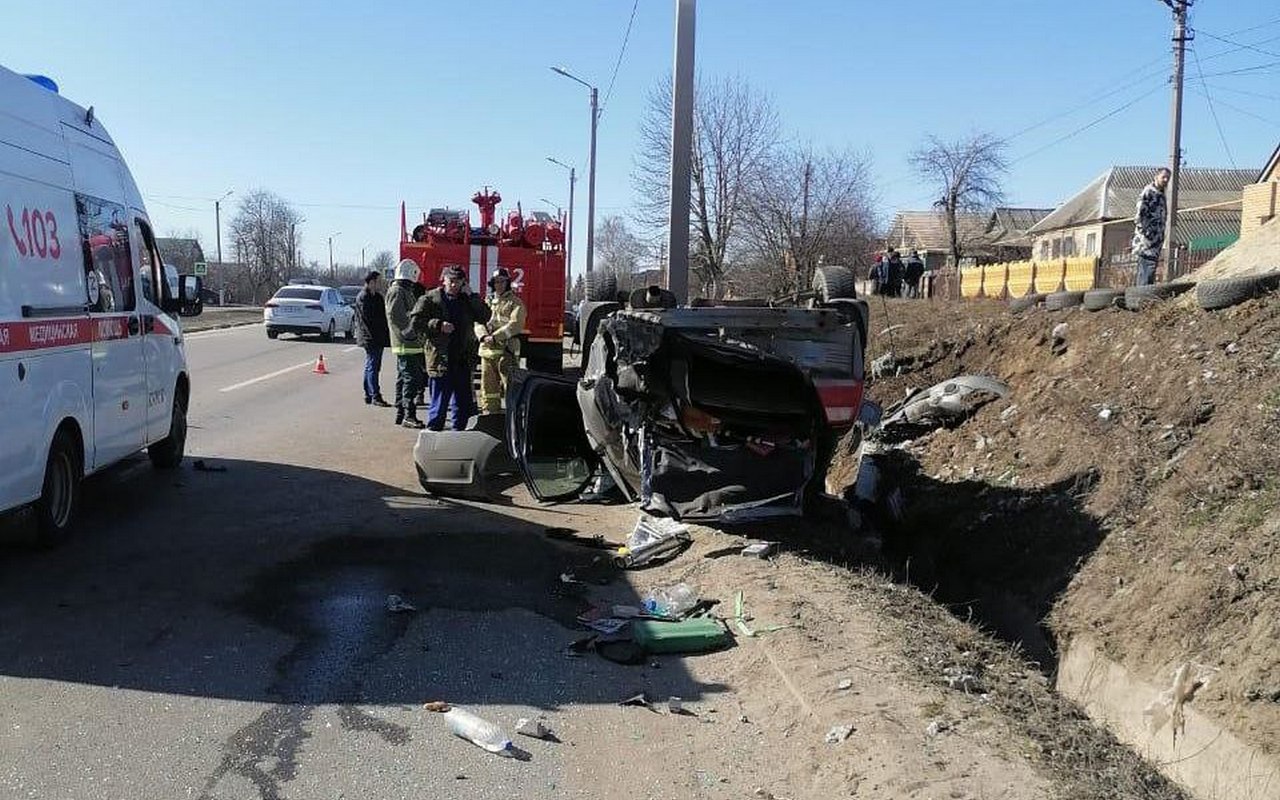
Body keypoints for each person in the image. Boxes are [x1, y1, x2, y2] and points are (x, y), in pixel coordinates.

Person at [408, 265, 491, 432]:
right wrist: (437, 324)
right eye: (451, 281)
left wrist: (472, 295)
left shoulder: (467, 300)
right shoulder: (430, 299)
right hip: (440, 360)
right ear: (443, 280)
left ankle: (457, 437)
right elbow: (415, 323)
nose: (454, 285)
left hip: (462, 360)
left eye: (458, 282)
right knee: (439, 404)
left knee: (462, 406)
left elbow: (485, 316)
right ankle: (434, 437)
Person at [474, 268, 527, 414]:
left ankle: (514, 416)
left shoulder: (515, 303)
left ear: (508, 283)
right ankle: (490, 415)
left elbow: (515, 325)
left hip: (506, 352)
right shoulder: (488, 301)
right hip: (487, 352)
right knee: (488, 388)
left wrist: (495, 337)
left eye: (502, 281)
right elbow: (478, 321)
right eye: (496, 282)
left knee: (510, 387)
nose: (499, 284)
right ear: (492, 284)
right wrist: (483, 336)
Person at [386, 259, 426, 428]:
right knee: (411, 379)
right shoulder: (397, 291)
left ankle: (401, 413)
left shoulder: (403, 290)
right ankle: (408, 415)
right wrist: (410, 330)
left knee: (404, 378)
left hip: (409, 342)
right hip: (406, 342)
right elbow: (396, 315)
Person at [354, 270, 391, 407]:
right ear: (371, 282)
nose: (380, 284)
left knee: (372, 365)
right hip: (370, 337)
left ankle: (369, 394)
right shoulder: (364, 297)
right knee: (373, 366)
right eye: (378, 281)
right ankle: (375, 395)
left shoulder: (377, 297)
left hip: (377, 336)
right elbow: (368, 319)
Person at [1132, 167, 1170, 286]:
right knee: (1146, 270)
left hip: (1156, 241)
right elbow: (1139, 215)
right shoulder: (1149, 192)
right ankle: (1141, 299)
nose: (1166, 180)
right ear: (1156, 177)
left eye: (1168, 178)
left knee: (1150, 271)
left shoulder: (1161, 195)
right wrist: (1147, 234)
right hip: (1146, 242)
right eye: (1163, 177)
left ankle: (1144, 297)